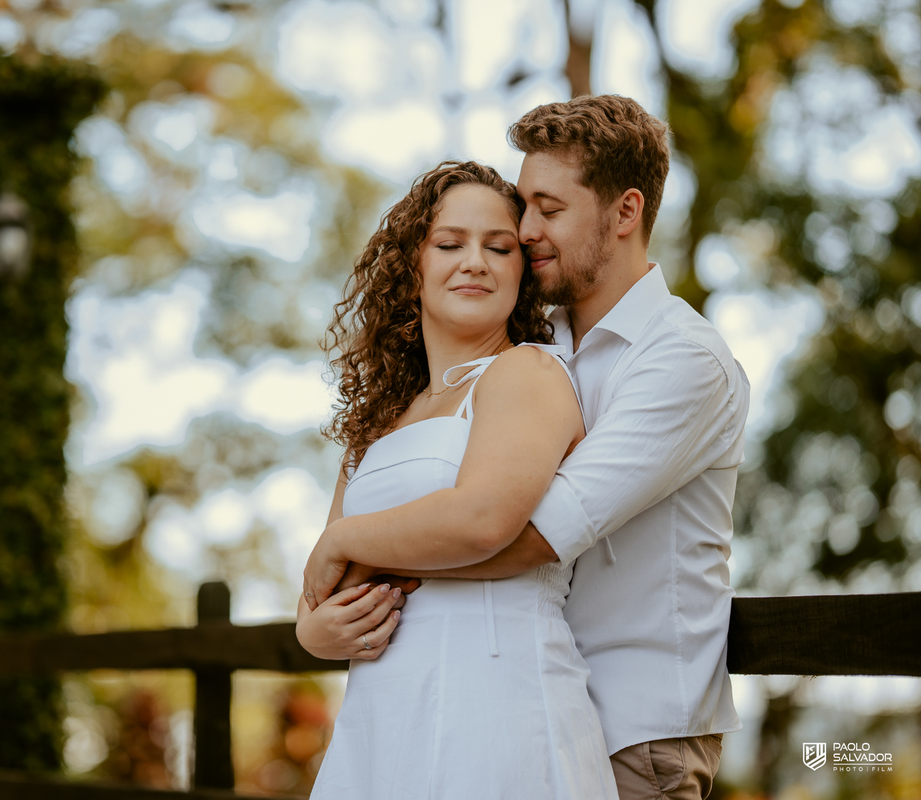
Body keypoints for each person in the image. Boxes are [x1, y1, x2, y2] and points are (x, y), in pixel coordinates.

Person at [302, 95, 750, 800]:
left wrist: (348, 555)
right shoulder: (547, 340)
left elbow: (529, 534)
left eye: (548, 209)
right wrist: (316, 626)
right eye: (525, 211)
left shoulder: (682, 360)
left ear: (625, 212)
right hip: (446, 701)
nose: (527, 229)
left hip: (636, 723)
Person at [296, 160, 619, 799]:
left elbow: (482, 520)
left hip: (496, 705)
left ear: (522, 272)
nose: (475, 262)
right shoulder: (376, 423)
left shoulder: (526, 373)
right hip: (382, 719)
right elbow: (318, 594)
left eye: (499, 248)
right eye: (449, 244)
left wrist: (342, 541)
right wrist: (313, 633)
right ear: (411, 267)